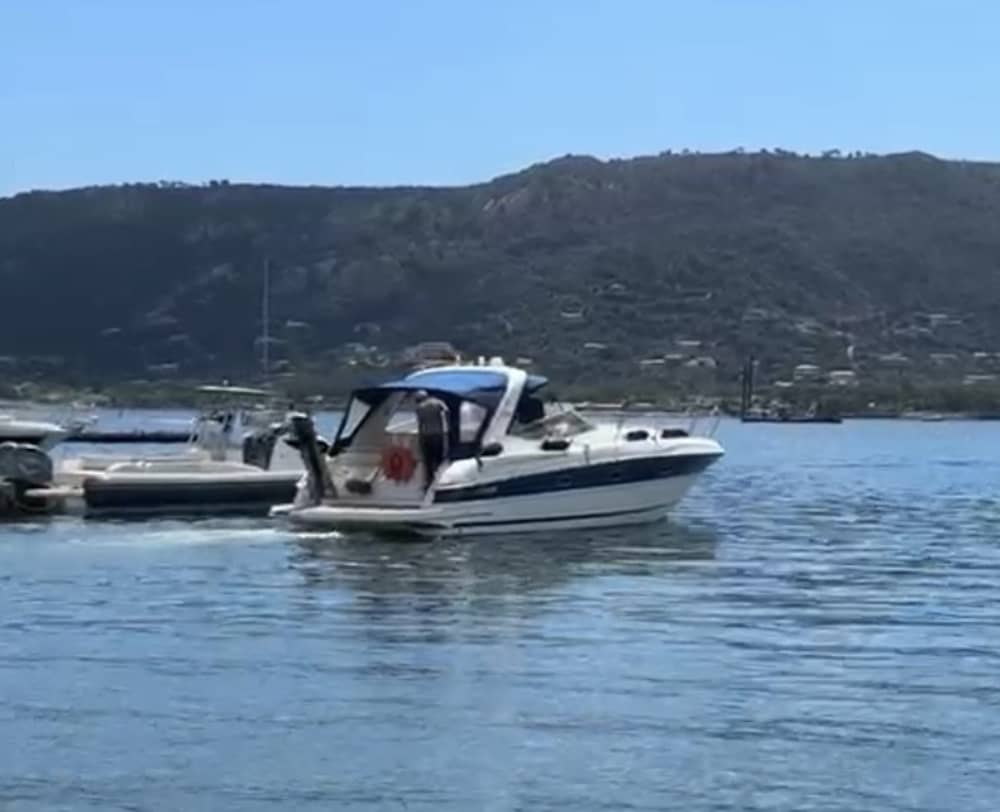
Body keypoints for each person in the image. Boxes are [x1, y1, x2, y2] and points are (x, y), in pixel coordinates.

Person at [414, 389, 449, 489]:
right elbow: (446, 411)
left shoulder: (420, 407)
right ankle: (441, 480)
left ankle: (429, 482)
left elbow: (420, 424)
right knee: (439, 458)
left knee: (428, 461)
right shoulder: (437, 402)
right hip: (438, 434)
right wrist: (447, 423)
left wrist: (420, 438)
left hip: (426, 436)